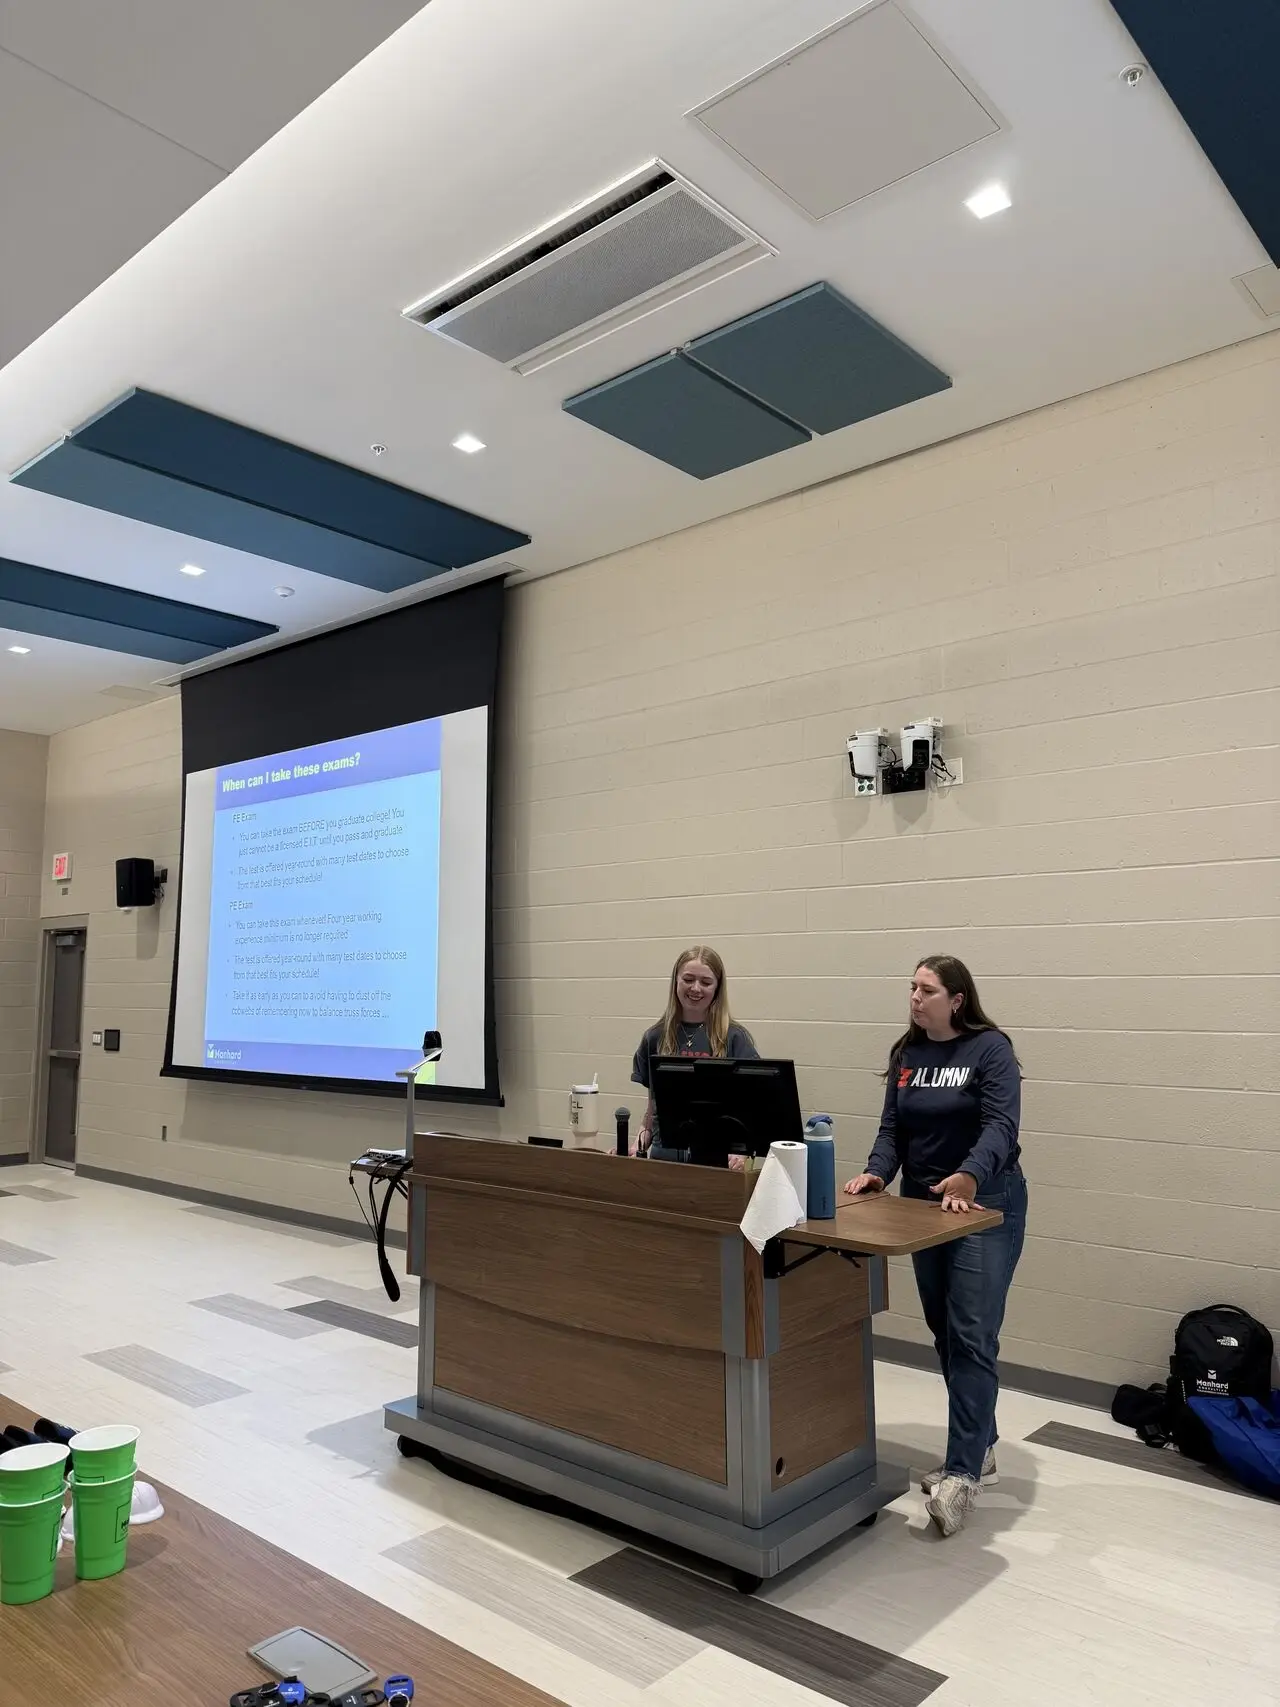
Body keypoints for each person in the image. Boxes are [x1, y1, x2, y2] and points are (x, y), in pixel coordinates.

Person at [844, 955, 1027, 1538]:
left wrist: (970, 1174)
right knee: (945, 1330)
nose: (914, 998)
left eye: (927, 990)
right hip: (923, 1211)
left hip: (983, 1206)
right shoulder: (908, 1055)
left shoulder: (989, 1049)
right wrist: (877, 1172)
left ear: (957, 999)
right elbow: (893, 1130)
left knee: (972, 1331)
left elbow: (1001, 1125)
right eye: (912, 988)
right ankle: (983, 1445)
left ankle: (963, 1471)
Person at [631, 946, 758, 1158]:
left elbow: (751, 1107)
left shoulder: (735, 1038)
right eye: (688, 979)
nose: (696, 988)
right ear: (676, 982)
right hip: (664, 1158)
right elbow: (652, 1109)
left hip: (717, 1159)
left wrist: (741, 1151)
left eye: (706, 982)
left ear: (717, 988)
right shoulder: (654, 1037)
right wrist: (637, 1144)